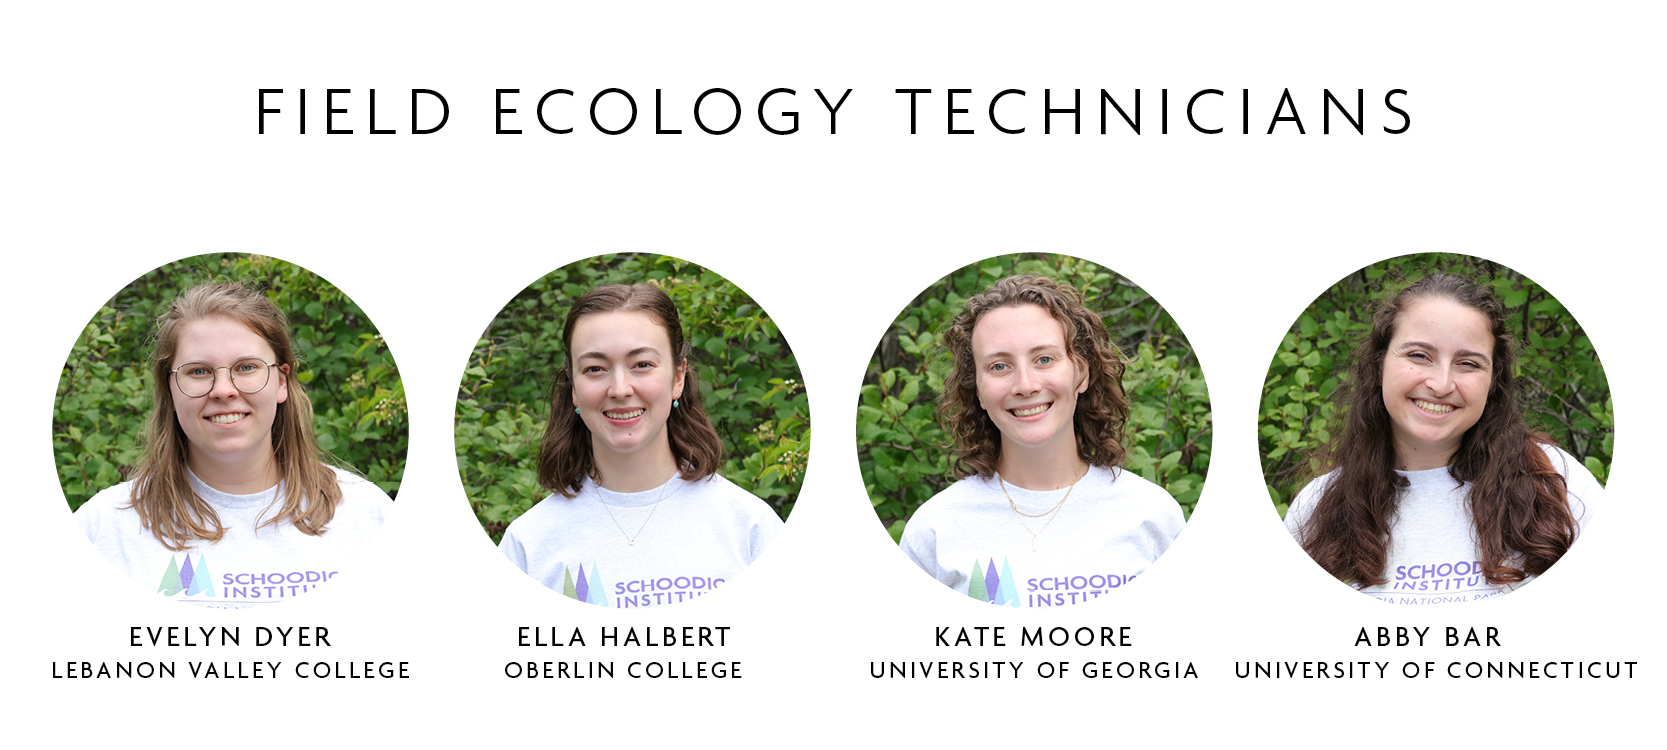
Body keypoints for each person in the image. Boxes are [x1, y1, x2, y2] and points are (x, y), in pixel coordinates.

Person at [1284, 272, 1601, 604]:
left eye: (1468, 363)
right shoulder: (1316, 507)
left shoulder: (1558, 484)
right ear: (1379, 367)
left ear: (1492, 383)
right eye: (1419, 356)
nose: (1441, 383)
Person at [76, 283, 393, 607]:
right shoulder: (105, 528)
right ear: (169, 390)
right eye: (199, 371)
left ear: (281, 382)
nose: (223, 390)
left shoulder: (366, 517)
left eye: (246, 367)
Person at [899, 275, 1185, 607]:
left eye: (1044, 359)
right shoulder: (935, 529)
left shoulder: (1152, 515)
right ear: (978, 390)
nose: (1025, 384)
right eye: (999, 366)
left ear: (1082, 373)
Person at [499, 284, 783, 608]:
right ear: (574, 387)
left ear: (678, 377)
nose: (620, 389)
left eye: (642, 364)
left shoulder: (750, 528)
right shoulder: (529, 545)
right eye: (595, 369)